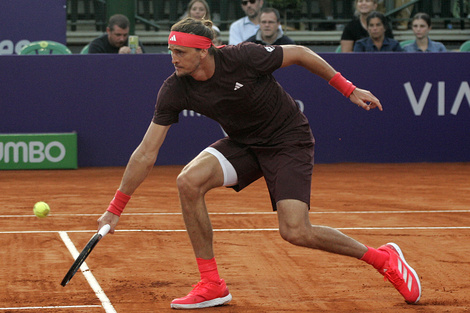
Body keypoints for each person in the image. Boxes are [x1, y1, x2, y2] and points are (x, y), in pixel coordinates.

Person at [97, 17, 421, 309]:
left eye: (180, 52)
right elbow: (146, 152)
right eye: (172, 52)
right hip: (244, 144)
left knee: (295, 231)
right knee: (188, 181)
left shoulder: (242, 56)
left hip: (287, 140)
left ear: (203, 51)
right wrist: (116, 207)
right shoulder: (174, 88)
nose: (173, 59)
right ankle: (212, 284)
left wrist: (347, 88)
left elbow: (300, 54)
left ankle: (383, 259)